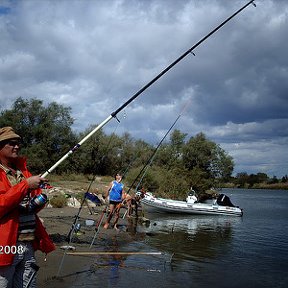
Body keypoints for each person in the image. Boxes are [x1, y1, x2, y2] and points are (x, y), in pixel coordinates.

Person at [0, 127, 55, 288]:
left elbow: (28, 208)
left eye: (18, 143)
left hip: (27, 244)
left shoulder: (23, 172)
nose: (17, 146)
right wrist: (25, 186)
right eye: (11, 143)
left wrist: (42, 196)